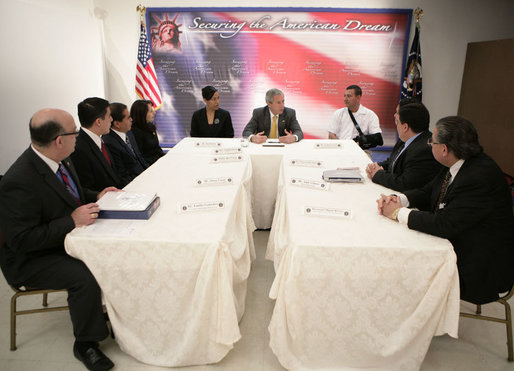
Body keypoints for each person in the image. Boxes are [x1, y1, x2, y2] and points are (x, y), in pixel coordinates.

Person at [0, 108, 118, 370]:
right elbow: (21, 240)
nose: (78, 135)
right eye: (74, 132)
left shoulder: (59, 158)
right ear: (59, 140)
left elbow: (70, 195)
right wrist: (71, 221)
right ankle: (86, 343)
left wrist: (95, 195)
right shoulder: (18, 180)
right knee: (84, 275)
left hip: (61, 238)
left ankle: (110, 313)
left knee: (110, 254)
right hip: (30, 258)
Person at [377, 116, 514, 305]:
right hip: (465, 242)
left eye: (431, 141)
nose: (429, 144)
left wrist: (397, 213)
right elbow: (428, 191)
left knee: (403, 265)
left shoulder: (478, 177)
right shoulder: (458, 162)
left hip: (481, 267)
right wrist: (400, 199)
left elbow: (444, 224)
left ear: (443, 149)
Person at [366, 100, 442, 191]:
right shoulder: (406, 138)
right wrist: (375, 167)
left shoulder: (424, 151)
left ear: (405, 127)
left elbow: (405, 184)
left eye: (397, 121)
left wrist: (378, 174)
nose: (394, 116)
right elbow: (393, 161)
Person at [71, 97, 124, 192]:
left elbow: (114, 175)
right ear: (98, 121)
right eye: (109, 116)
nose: (111, 119)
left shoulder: (99, 140)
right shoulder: (79, 148)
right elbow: (86, 188)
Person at [103, 103, 149, 184]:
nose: (132, 119)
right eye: (128, 118)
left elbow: (139, 158)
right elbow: (122, 175)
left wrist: (150, 171)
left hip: (144, 175)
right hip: (134, 183)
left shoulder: (129, 132)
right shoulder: (109, 142)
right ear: (117, 124)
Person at [328, 84, 383, 149]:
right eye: (344, 96)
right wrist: (343, 147)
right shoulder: (338, 113)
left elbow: (376, 138)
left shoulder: (370, 115)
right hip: (341, 150)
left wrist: (359, 143)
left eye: (349, 96)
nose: (345, 99)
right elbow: (331, 135)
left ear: (358, 97)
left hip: (361, 151)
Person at [130, 100, 164, 165]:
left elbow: (157, 148)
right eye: (151, 111)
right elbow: (140, 157)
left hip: (158, 162)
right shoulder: (134, 132)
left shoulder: (150, 126)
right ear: (142, 113)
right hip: (149, 166)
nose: (154, 113)